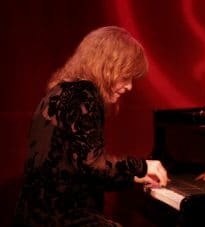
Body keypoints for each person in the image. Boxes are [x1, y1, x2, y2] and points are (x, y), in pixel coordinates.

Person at [13, 26, 168, 227]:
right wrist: (143, 166)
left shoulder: (61, 92)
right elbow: (92, 165)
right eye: (125, 75)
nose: (130, 86)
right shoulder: (83, 94)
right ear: (107, 67)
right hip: (59, 217)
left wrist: (133, 178)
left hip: (33, 216)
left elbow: (78, 168)